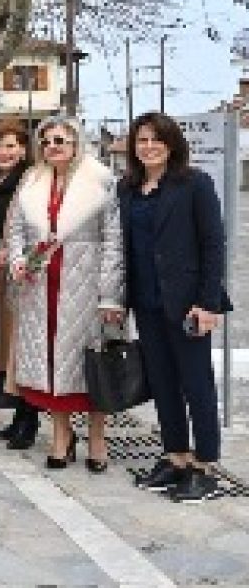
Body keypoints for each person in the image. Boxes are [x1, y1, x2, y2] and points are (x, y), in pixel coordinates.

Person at [120, 112, 230, 503]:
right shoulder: (128, 189)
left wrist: (208, 302)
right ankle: (175, 457)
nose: (148, 146)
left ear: (171, 144)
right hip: (146, 302)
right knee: (163, 383)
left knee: (196, 383)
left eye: (156, 139)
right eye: (142, 140)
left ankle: (205, 465)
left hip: (187, 304)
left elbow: (214, 245)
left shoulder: (194, 184)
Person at [8, 116, 124, 472]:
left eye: (59, 140)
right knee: (51, 366)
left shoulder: (101, 181)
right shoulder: (31, 182)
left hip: (85, 286)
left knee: (90, 365)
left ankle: (97, 438)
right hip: (40, 288)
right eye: (45, 142)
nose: (52, 147)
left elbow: (113, 242)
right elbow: (14, 229)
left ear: (76, 143)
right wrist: (17, 260)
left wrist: (111, 295)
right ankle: (61, 436)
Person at [0, 120, 36, 450]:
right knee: (3, 348)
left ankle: (28, 418)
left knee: (19, 347)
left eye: (11, 146)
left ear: (24, 149)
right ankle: (17, 415)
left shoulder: (28, 183)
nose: (4, 152)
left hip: (18, 275)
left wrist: (12, 253)